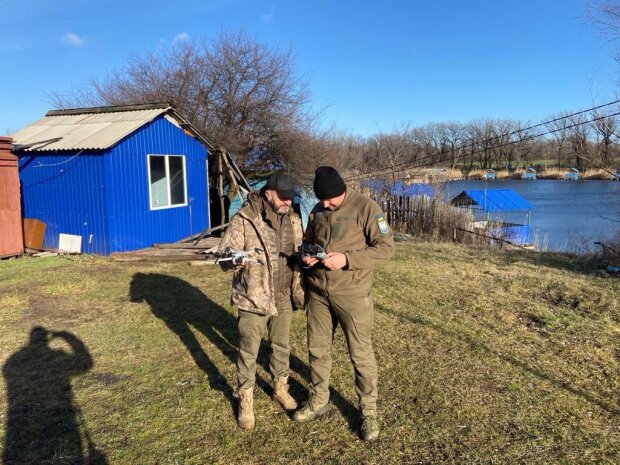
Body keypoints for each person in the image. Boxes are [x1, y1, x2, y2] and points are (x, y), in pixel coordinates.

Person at [293, 166, 395, 442]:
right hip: (318, 294)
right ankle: (318, 399)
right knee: (317, 349)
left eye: (330, 201)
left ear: (342, 190)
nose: (325, 205)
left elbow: (386, 248)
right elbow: (308, 242)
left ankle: (368, 411)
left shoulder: (366, 207)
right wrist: (307, 257)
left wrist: (347, 259)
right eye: (322, 201)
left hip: (352, 293)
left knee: (360, 354)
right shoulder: (316, 210)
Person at [218, 172, 305, 431]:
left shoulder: (294, 219)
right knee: (249, 350)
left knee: (281, 345)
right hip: (254, 298)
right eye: (283, 197)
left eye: (291, 198)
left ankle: (281, 387)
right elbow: (224, 258)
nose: (288, 203)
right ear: (268, 194)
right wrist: (233, 259)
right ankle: (245, 398)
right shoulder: (245, 219)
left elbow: (299, 252)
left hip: (284, 295)